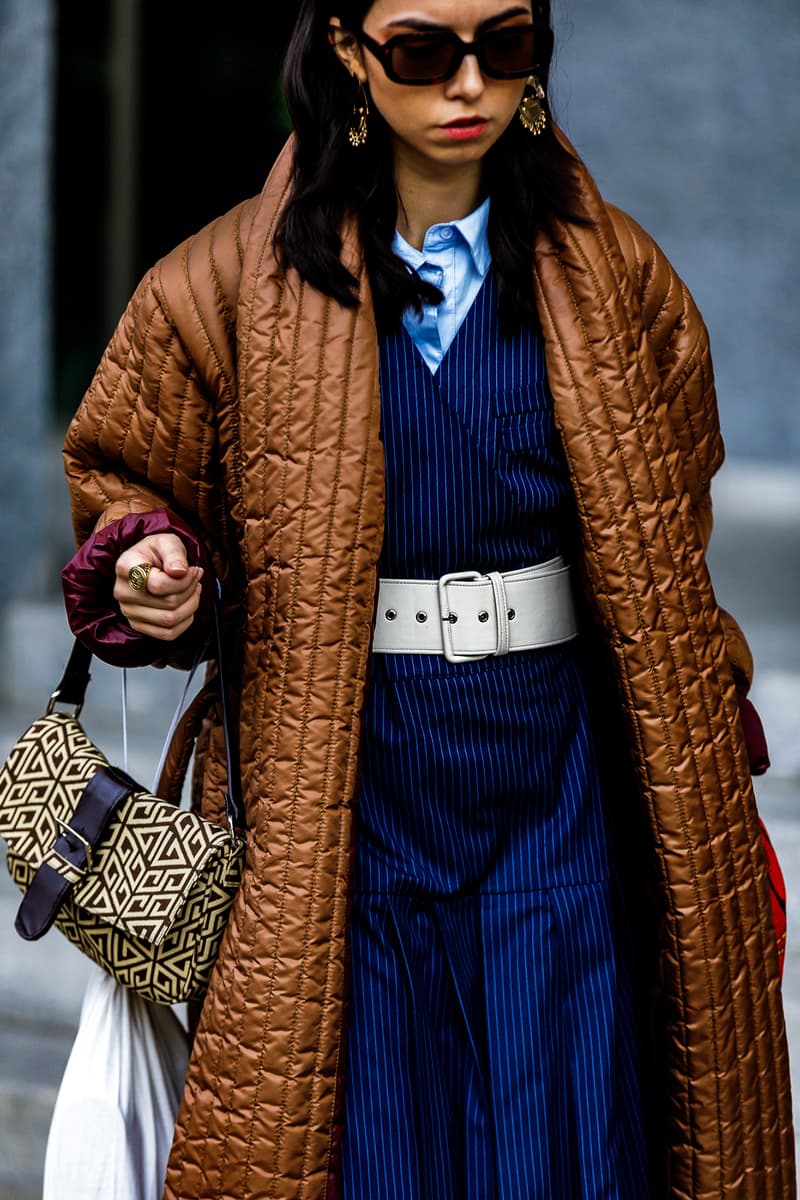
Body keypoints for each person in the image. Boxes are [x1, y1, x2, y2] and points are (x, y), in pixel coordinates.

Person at [60, 1, 795, 1197]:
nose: (467, 83)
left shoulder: (617, 280)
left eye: (503, 45)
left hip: (558, 772)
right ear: (348, 49)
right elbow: (127, 480)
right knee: (363, 1126)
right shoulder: (220, 284)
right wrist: (148, 565)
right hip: (341, 784)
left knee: (566, 1118)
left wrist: (712, 744)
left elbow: (672, 536)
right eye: (421, 50)